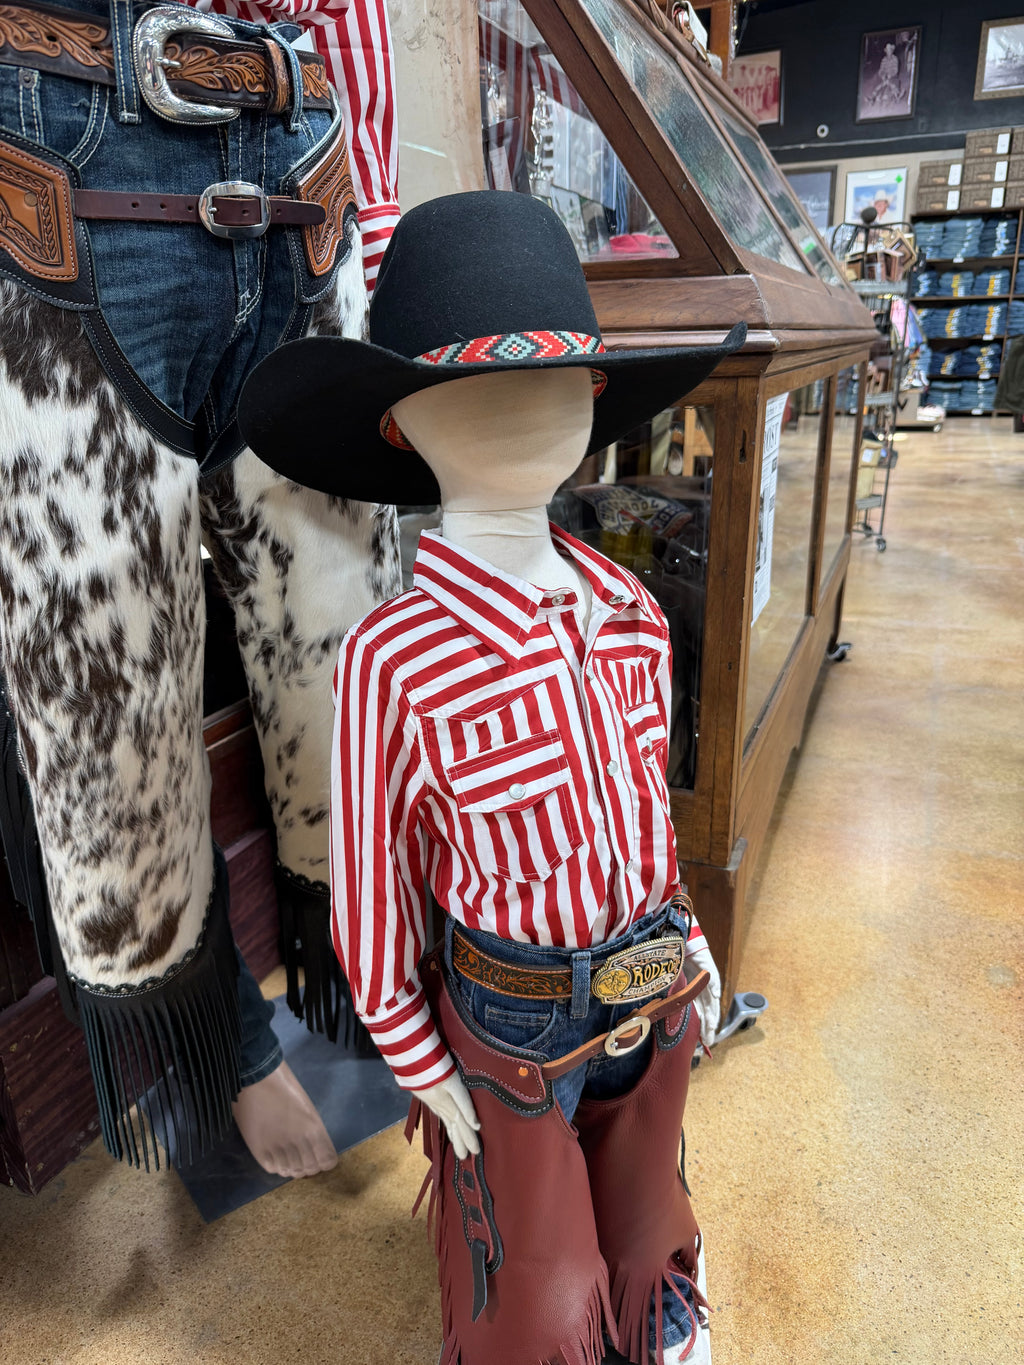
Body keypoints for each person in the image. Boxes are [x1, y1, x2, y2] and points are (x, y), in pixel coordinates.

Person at [238, 191, 746, 1364]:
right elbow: (372, 892)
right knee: (536, 1271)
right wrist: (421, 1061)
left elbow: (642, 799)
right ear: (403, 425)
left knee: (644, 1209)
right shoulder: (394, 658)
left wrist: (694, 944)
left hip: (652, 976)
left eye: (559, 379)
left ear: (595, 400)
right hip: (509, 1015)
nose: (525, 404)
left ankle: (657, 1315)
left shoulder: (626, 610)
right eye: (474, 387)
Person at [0, 0, 400, 1179]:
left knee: (346, 651)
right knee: (98, 698)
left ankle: (367, 969)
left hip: (297, 143)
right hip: (46, 148)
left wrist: (365, 195)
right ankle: (224, 1049)